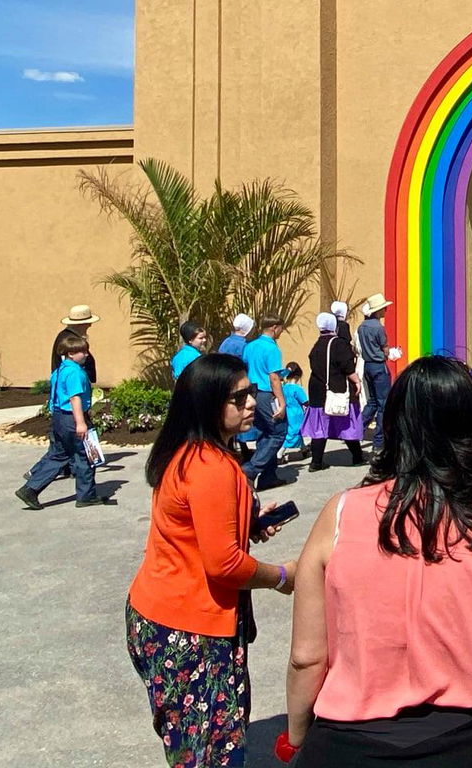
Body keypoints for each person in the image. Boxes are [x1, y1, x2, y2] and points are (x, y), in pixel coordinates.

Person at [282, 356, 472, 768]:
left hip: (345, 746)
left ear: (393, 425)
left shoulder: (340, 513)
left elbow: (307, 657)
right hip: (463, 744)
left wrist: (296, 736)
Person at [127, 352, 297, 767]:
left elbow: (193, 530)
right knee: (211, 753)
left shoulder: (185, 453)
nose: (251, 403)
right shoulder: (211, 467)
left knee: (188, 744)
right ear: (207, 404)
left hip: (161, 615)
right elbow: (224, 565)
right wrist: (281, 575)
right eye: (238, 398)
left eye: (250, 393)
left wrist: (246, 523)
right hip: (191, 629)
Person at [16, 331, 114, 509]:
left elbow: (54, 396)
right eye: (82, 352)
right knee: (86, 456)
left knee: (59, 455)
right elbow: (75, 398)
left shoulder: (59, 371)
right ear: (70, 353)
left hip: (60, 418)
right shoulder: (75, 373)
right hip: (73, 418)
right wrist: (81, 422)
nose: (85, 355)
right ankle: (86, 496)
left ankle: (31, 488)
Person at [306, 312, 364, 472]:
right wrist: (357, 381)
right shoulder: (338, 344)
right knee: (345, 422)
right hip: (336, 388)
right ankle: (357, 456)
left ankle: (316, 462)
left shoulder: (317, 344)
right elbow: (347, 366)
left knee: (319, 426)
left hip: (317, 390)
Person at [241, 316, 289, 490]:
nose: (281, 332)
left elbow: (245, 368)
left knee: (264, 432)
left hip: (253, 392)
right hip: (267, 394)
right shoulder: (271, 348)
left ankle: (269, 476)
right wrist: (282, 402)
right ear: (274, 328)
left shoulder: (250, 346)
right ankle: (251, 469)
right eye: (281, 329)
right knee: (279, 431)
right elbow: (274, 377)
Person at [355, 293, 394, 455]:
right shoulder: (378, 327)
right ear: (378, 311)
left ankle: (356, 431)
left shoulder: (362, 327)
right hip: (378, 365)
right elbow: (384, 348)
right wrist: (389, 353)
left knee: (371, 401)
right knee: (383, 404)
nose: (385, 310)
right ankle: (379, 441)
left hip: (367, 366)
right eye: (383, 308)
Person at [53, 303, 101, 384]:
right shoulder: (68, 340)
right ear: (80, 324)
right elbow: (65, 364)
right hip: (73, 385)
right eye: (87, 323)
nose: (90, 325)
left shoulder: (70, 337)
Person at [281, 362, 309, 460]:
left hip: (286, 411)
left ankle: (303, 448)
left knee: (295, 430)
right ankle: (280, 453)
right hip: (296, 413)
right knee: (294, 432)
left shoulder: (283, 387)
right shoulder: (297, 389)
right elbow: (305, 401)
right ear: (297, 376)